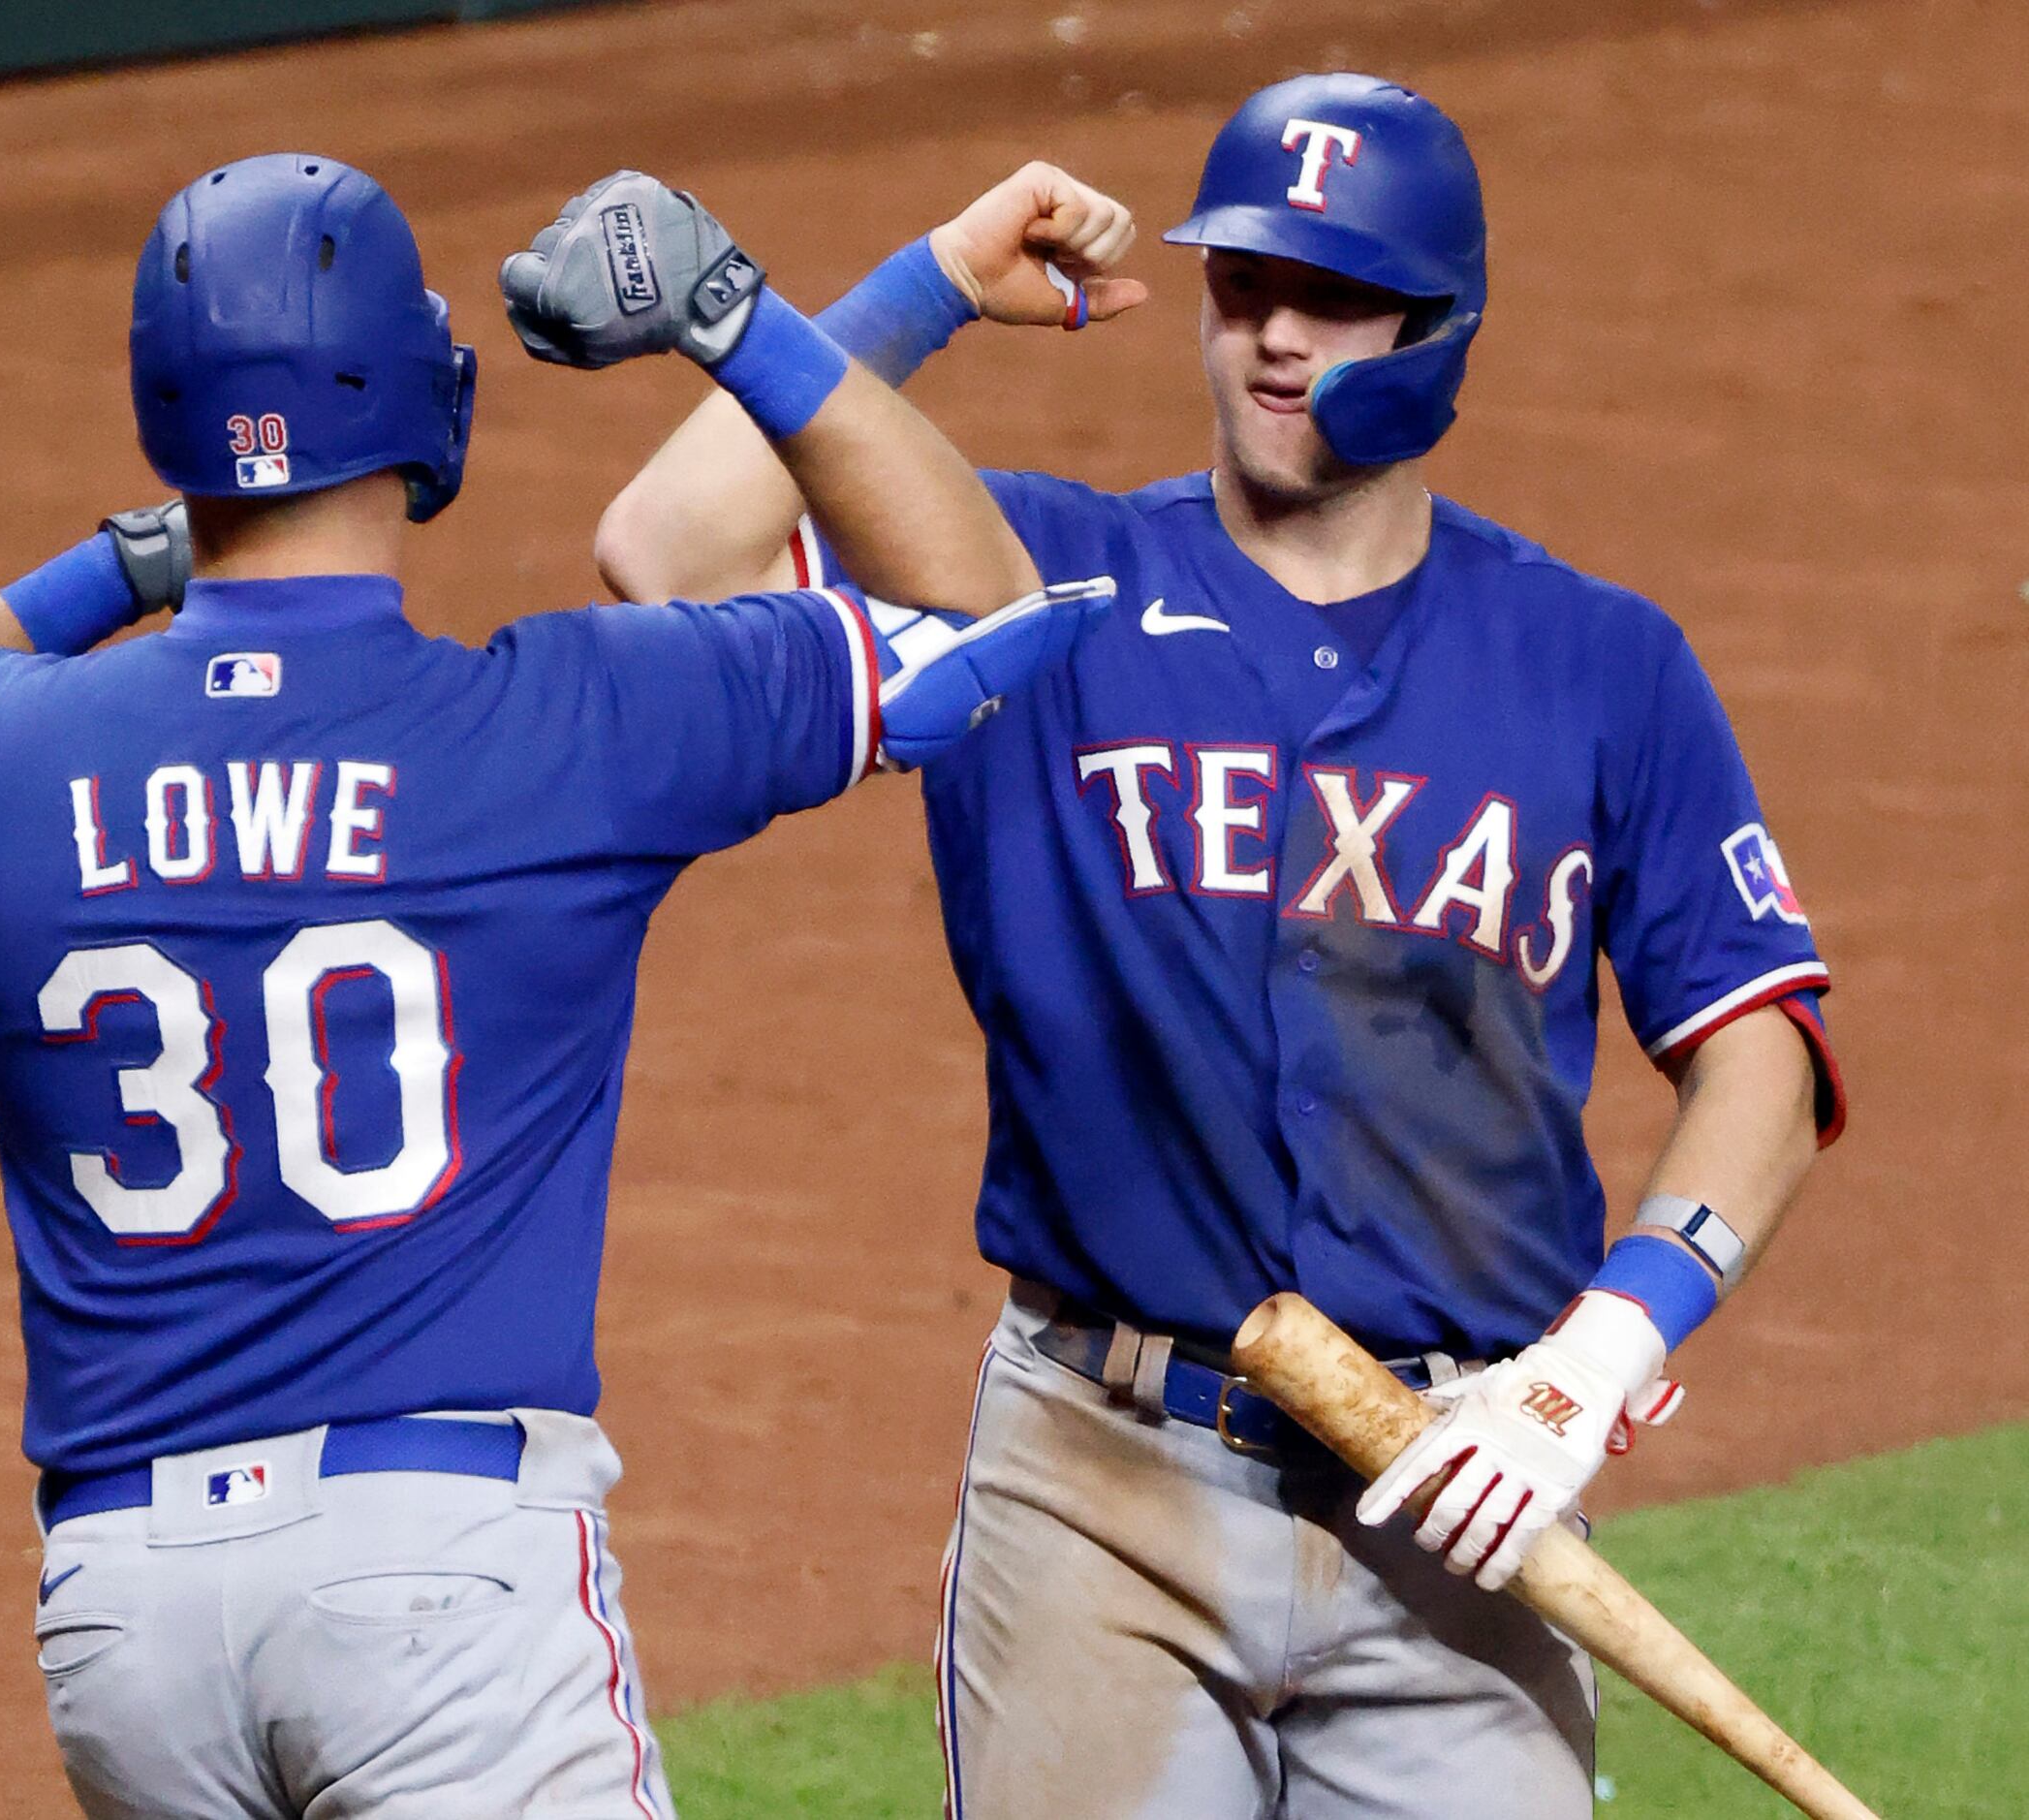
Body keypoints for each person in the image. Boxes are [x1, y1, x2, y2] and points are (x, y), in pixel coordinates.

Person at [0, 153, 1104, 1820]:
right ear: (424, 401)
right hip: (440, 1586)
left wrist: (116, 572)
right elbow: (985, 614)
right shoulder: (572, 724)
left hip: (123, 1620)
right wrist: (760, 314)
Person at [589, 75, 1844, 1819]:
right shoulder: (1036, 582)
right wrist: (940, 276)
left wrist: (1593, 1364)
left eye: (1328, 299)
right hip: (1104, 1488)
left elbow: (1758, 1049)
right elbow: (666, 543)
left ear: (1436, 329)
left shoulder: (1598, 662)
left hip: (1454, 1501)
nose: (1271, 338)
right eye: (1241, 285)